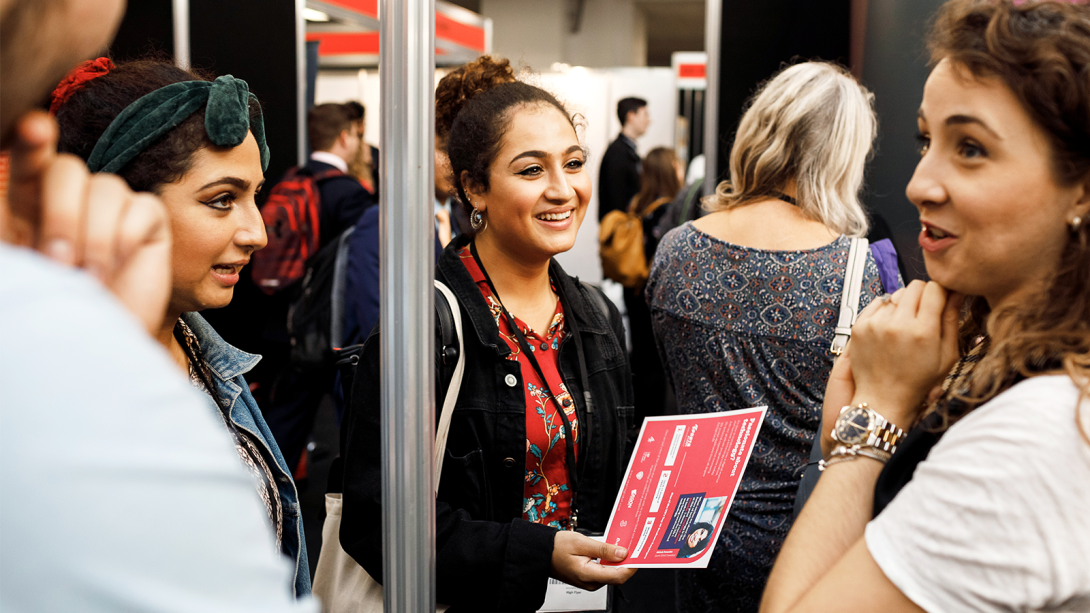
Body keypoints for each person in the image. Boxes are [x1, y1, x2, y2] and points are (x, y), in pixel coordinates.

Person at [761, 2, 1090, 612]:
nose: (919, 184)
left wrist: (874, 418)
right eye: (925, 140)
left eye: (970, 148)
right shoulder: (1008, 367)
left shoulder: (1036, 439)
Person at [0, 0, 314, 610]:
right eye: (222, 200)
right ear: (115, 200)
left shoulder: (211, 359)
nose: (257, 232)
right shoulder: (46, 385)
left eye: (255, 197)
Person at [340, 79, 637, 612]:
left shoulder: (597, 315)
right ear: (474, 188)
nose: (562, 189)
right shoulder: (424, 326)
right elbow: (377, 523)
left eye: (572, 163)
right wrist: (537, 552)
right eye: (531, 170)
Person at [646, 61, 888, 613]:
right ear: (844, 155)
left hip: (686, 527)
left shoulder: (677, 249)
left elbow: (672, 377)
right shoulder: (856, 270)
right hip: (803, 536)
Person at [342, 55, 516, 349]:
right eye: (445, 149)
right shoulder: (383, 225)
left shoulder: (467, 219)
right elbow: (379, 331)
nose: (456, 161)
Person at [624, 146, 682, 429]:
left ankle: (634, 419)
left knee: (640, 354)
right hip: (652, 290)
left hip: (632, 286)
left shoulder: (638, 202)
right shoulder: (669, 209)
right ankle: (651, 423)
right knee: (655, 363)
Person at [303, 103, 375, 248]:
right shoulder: (352, 193)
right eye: (355, 135)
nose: (358, 143)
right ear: (344, 138)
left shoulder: (289, 179)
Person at [598, 96, 649, 221]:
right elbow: (616, 198)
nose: (649, 120)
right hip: (620, 229)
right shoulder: (618, 153)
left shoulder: (628, 150)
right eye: (645, 115)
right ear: (631, 116)